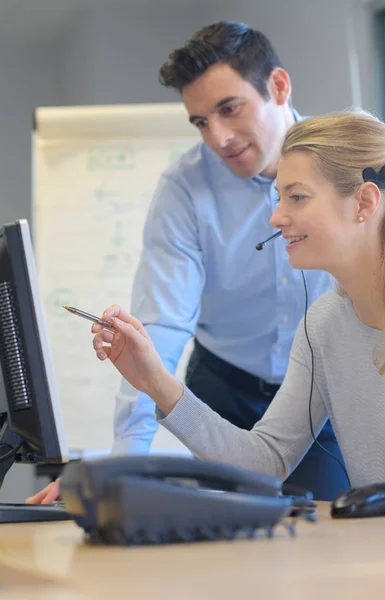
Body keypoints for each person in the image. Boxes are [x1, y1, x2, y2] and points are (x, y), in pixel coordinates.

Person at [26, 22, 344, 506]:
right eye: (199, 121)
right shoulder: (184, 189)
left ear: (278, 87)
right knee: (219, 543)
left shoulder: (346, 163)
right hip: (226, 383)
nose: (218, 137)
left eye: (229, 109)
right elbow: (161, 324)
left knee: (332, 540)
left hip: (324, 389)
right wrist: (127, 458)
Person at [86, 110, 385, 488]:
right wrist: (154, 381)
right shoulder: (323, 326)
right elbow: (265, 459)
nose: (276, 217)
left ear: (365, 202)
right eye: (279, 197)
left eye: (297, 197)